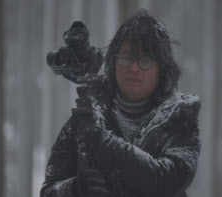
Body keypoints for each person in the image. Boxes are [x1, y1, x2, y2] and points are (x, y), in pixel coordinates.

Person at [40, 9, 201, 197]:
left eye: (145, 60)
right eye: (126, 57)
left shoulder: (180, 119)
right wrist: (75, 188)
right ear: (114, 61)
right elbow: (48, 191)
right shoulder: (87, 117)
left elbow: (167, 180)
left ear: (162, 69)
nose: (133, 67)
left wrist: (106, 145)